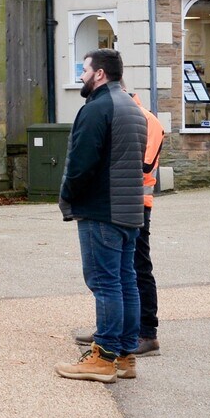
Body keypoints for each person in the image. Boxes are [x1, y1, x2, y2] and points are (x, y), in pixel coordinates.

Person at [56, 48, 150, 383]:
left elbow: (81, 163)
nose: (81, 76)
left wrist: (67, 196)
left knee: (105, 283)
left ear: (99, 73)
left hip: (102, 209)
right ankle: (124, 356)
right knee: (126, 282)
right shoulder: (133, 107)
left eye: (84, 70)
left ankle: (104, 356)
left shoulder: (97, 108)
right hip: (129, 209)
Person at [73, 85, 164, 356]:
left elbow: (144, 164)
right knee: (114, 272)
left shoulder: (146, 120)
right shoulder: (125, 116)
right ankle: (113, 329)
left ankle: (146, 332)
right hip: (120, 203)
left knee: (137, 269)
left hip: (136, 203)